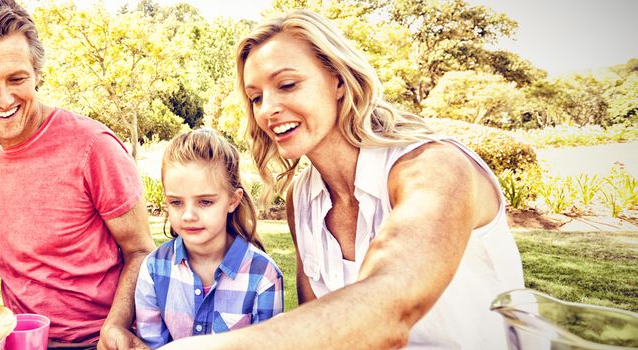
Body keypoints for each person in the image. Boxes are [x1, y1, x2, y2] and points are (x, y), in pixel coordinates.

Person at [162, 10, 524, 349]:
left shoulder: (435, 168)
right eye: (256, 97)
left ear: (337, 79)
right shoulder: (302, 198)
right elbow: (321, 326)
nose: (266, 110)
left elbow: (390, 307)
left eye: (287, 84)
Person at [0, 1, 156, 348]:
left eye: (16, 79)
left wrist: (114, 327)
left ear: (37, 73)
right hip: (19, 336)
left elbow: (140, 250)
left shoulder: (94, 147)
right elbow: (13, 220)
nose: (3, 99)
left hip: (95, 342)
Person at [134, 129, 284, 348]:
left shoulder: (263, 275)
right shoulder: (154, 269)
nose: (188, 216)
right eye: (176, 202)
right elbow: (152, 344)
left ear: (233, 200)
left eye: (205, 202)